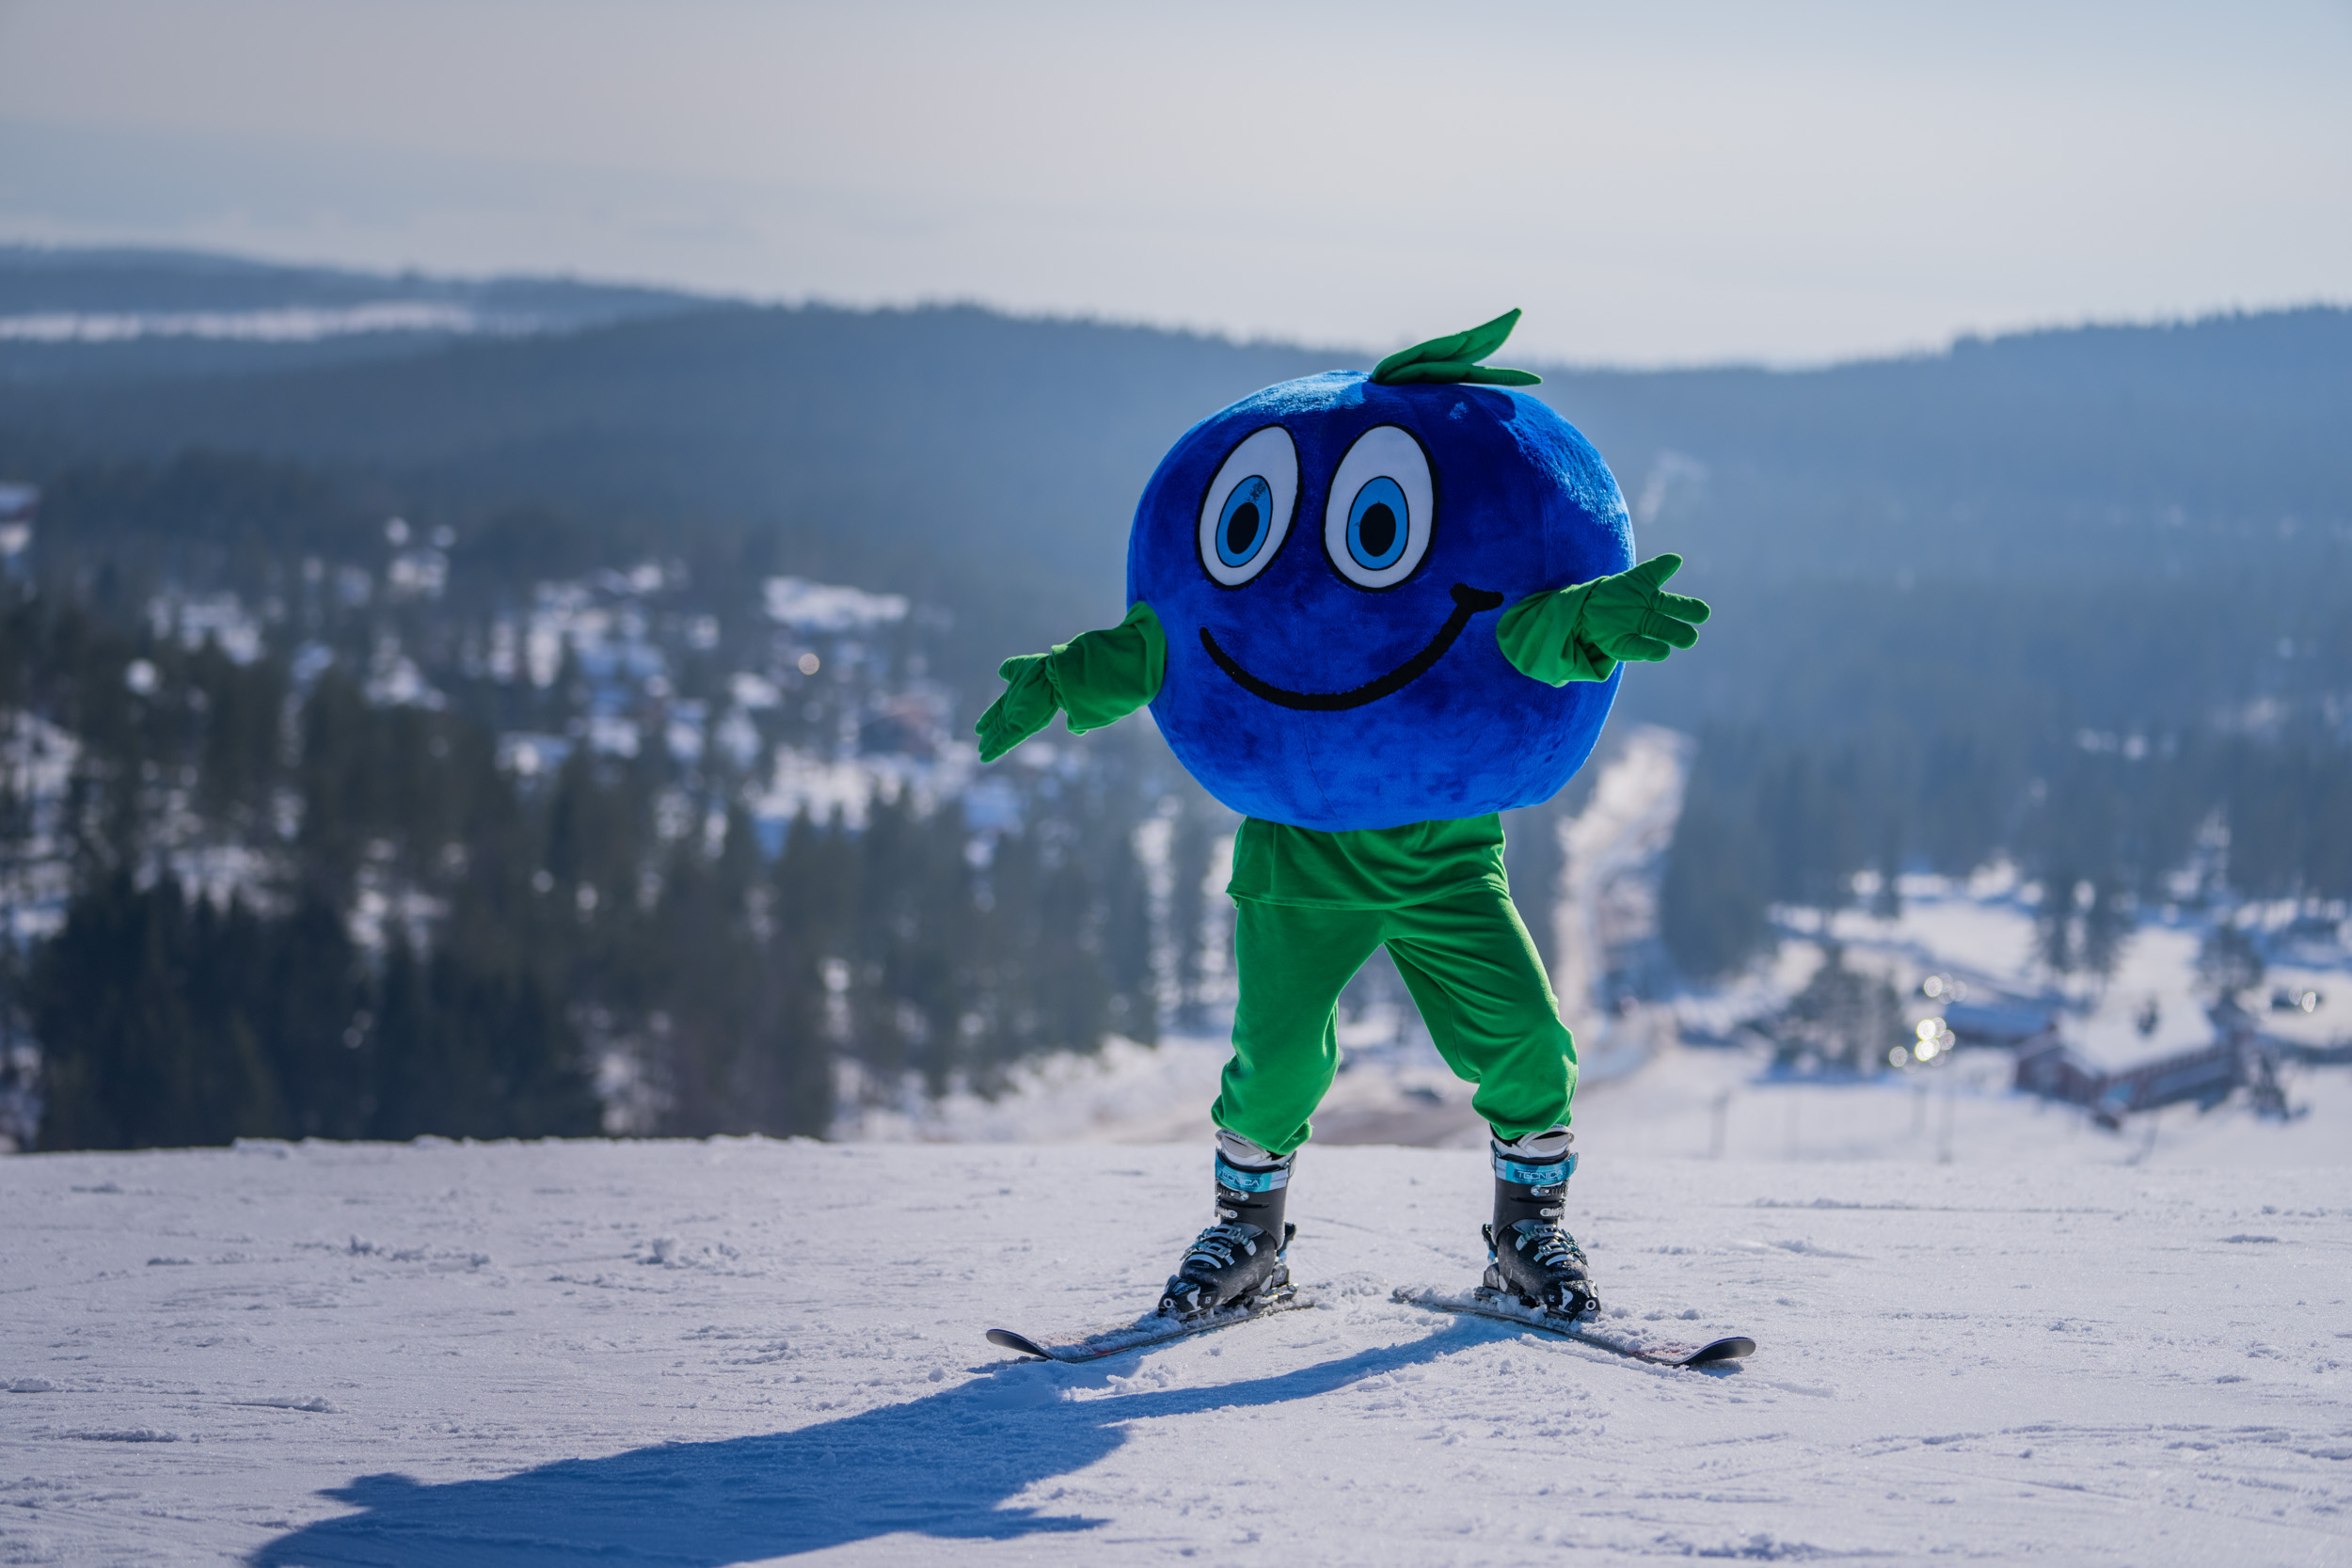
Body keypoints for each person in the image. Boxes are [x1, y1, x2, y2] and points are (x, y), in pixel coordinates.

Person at [975, 311, 1709, 1323]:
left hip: (1443, 858)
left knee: (1527, 1040)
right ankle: (1247, 1237)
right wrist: (1061, 678)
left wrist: (1586, 624)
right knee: (1275, 1061)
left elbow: (1515, 628)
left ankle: (1526, 1234)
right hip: (1296, 862)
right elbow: (1161, 643)